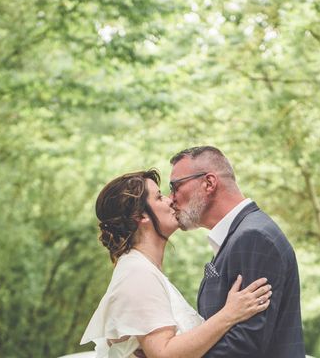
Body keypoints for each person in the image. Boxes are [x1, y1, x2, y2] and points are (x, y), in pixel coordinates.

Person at [80, 169, 273, 358]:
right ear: (140, 216)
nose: (170, 200)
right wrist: (229, 314)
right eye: (159, 197)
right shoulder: (137, 273)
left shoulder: (144, 270)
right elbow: (164, 354)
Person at [169, 146, 306, 357]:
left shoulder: (254, 237)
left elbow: (245, 344)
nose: (171, 198)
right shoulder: (239, 236)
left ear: (209, 183)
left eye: (175, 186)